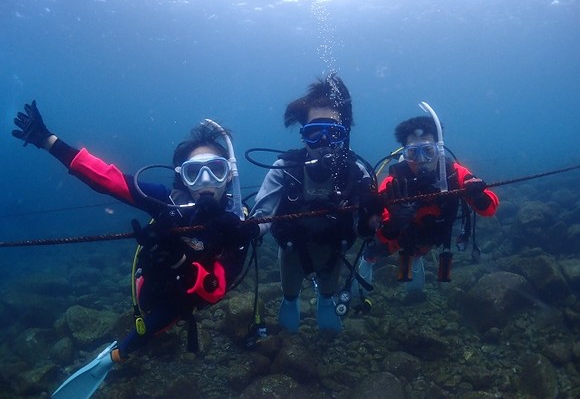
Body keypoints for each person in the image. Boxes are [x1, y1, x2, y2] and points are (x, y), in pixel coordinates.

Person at [12, 101, 259, 398]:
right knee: (157, 302)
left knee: (177, 308)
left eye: (216, 171)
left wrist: (182, 262)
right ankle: (123, 348)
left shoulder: (238, 221)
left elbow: (216, 288)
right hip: (151, 284)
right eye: (195, 172)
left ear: (229, 175)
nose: (206, 182)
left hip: (188, 298)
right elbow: (108, 179)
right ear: (182, 177)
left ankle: (117, 354)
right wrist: (50, 142)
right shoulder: (168, 201)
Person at [250, 73, 373, 332]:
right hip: (293, 249)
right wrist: (250, 229)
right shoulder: (285, 167)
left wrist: (374, 217)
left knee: (328, 292)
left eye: (334, 133)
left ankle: (325, 303)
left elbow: (371, 221)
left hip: (334, 248)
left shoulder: (357, 171)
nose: (325, 142)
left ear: (344, 134)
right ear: (303, 135)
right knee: (290, 292)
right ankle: (291, 302)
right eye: (315, 132)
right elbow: (263, 212)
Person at [356, 114, 499, 299]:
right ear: (405, 154)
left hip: (433, 237)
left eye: (428, 151)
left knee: (419, 251)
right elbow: (378, 230)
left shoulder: (454, 173)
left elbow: (489, 209)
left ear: (439, 150)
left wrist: (478, 195)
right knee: (375, 249)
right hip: (401, 237)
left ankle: (416, 258)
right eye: (413, 153)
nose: (421, 159)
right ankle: (367, 260)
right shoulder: (395, 182)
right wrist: (393, 223)